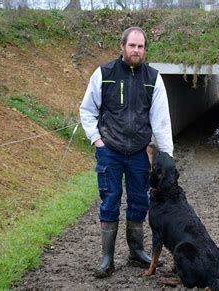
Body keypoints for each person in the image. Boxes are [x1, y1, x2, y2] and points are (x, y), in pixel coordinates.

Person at [79, 26, 173, 278]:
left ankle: (136, 251)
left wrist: (167, 157)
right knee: (110, 200)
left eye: (141, 46)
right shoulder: (104, 73)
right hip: (110, 150)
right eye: (132, 45)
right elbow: (87, 110)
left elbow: (161, 121)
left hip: (140, 153)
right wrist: (96, 139)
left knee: (139, 201)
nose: (136, 50)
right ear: (122, 46)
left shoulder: (153, 78)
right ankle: (107, 257)